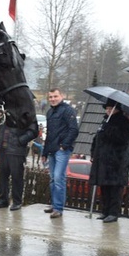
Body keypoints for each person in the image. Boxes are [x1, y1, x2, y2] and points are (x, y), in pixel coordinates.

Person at [89, 101, 129, 223]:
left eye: (110, 109)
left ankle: (113, 213)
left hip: (116, 162)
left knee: (114, 189)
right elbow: (97, 139)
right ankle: (105, 211)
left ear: (117, 109)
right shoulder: (104, 122)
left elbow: (122, 139)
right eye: (106, 109)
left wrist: (108, 130)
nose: (108, 111)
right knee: (104, 188)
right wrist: (93, 152)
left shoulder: (124, 122)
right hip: (103, 161)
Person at [41, 88, 79, 218]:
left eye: (55, 96)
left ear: (61, 96)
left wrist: (64, 145)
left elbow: (74, 129)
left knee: (58, 178)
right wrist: (44, 152)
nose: (52, 99)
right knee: (52, 179)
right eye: (50, 97)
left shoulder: (68, 110)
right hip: (51, 150)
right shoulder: (50, 112)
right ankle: (54, 204)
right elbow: (49, 134)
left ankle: (58, 208)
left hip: (61, 150)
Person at [0, 119, 39, 211]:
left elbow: (33, 131)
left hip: (16, 150)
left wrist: (20, 141)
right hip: (3, 149)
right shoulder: (5, 109)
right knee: (2, 177)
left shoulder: (26, 112)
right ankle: (3, 200)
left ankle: (17, 202)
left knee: (16, 177)